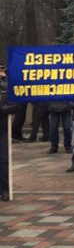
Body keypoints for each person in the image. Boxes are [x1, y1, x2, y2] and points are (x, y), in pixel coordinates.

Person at [0, 64, 18, 201]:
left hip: (2, 129)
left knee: (3, 161)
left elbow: (13, 107)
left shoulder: (6, 88)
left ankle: (4, 189)